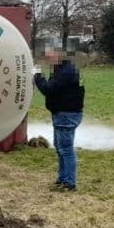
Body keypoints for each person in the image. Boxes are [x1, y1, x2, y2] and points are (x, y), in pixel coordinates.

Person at [33, 45, 85, 191]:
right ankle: (62, 179)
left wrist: (37, 75)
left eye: (50, 57)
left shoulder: (66, 71)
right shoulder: (63, 69)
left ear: (59, 55)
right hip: (63, 113)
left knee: (66, 149)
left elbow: (48, 89)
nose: (48, 60)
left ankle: (69, 183)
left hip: (66, 114)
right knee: (60, 147)